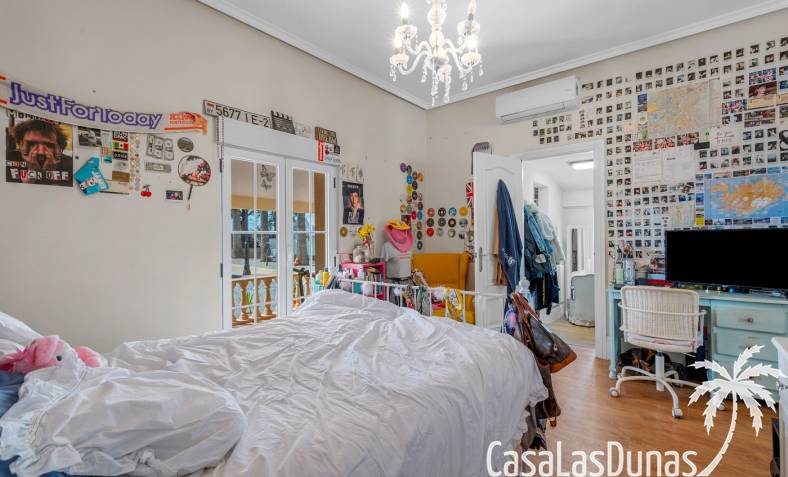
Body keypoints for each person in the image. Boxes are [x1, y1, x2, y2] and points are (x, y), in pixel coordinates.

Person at [7, 118, 73, 186]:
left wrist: (48, 174)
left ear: (58, 148)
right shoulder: (7, 159)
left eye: (49, 145)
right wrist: (31, 176)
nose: (40, 152)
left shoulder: (71, 165)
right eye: (32, 144)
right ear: (21, 145)